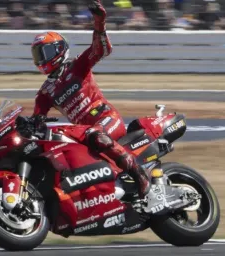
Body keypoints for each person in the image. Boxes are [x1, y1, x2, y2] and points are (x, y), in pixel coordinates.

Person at [29, 0, 166, 213]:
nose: (41, 60)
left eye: (44, 53)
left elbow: (101, 49)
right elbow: (37, 119)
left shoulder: (77, 65)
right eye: (37, 55)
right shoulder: (45, 91)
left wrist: (99, 21)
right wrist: (26, 126)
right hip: (84, 133)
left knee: (95, 134)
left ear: (59, 50)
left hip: (105, 119)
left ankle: (141, 177)